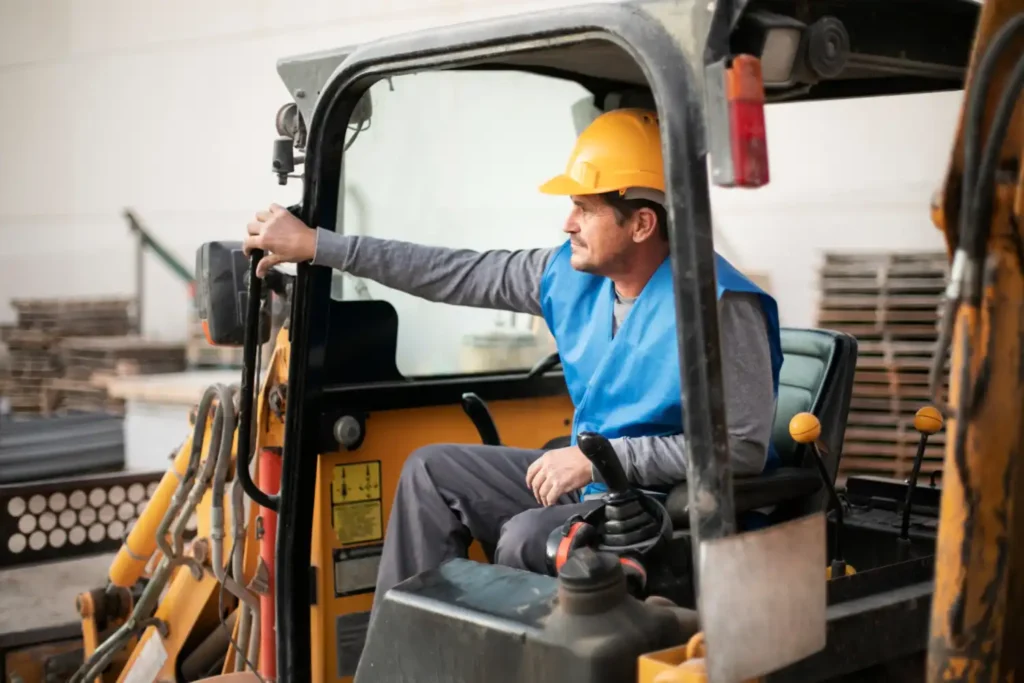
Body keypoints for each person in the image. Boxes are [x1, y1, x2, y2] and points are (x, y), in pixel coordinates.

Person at [243, 108, 783, 605]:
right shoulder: (566, 276)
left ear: (641, 224)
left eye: (584, 209)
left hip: (662, 506)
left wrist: (600, 459)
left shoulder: (721, 306)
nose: (568, 223)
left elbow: (739, 449)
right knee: (433, 472)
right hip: (598, 481)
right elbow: (453, 273)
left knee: (526, 536)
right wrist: (319, 246)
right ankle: (407, 655)